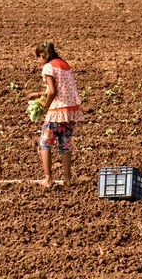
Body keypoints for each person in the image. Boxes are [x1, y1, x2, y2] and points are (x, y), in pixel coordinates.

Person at [29, 41, 84, 188]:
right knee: (65, 145)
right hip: (71, 111)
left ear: (42, 55)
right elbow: (62, 88)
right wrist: (38, 94)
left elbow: (53, 91)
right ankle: (67, 179)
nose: (38, 61)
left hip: (57, 112)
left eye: (38, 58)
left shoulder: (48, 67)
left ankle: (48, 179)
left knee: (45, 143)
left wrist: (45, 104)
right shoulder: (65, 64)